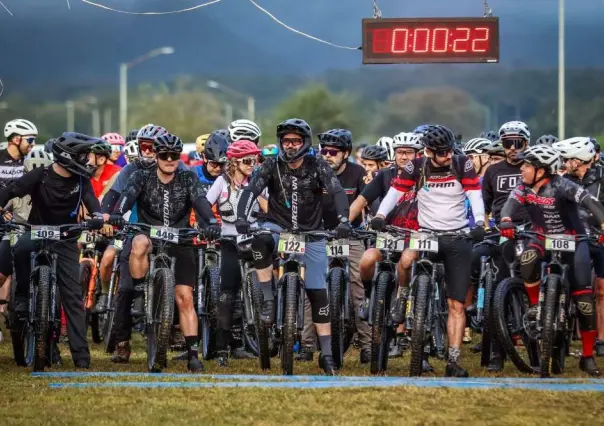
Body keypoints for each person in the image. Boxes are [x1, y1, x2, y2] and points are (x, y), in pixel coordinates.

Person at [234, 118, 352, 375]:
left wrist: (344, 219)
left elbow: (337, 191)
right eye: (286, 141)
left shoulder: (317, 164)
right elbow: (250, 191)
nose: (290, 146)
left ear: (305, 143)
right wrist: (241, 218)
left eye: (295, 141)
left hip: (312, 234)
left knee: (318, 292)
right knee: (258, 242)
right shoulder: (271, 165)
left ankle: (327, 354)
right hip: (278, 229)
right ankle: (267, 298)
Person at [372, 124, 486, 377]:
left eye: (449, 151)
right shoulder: (417, 166)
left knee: (456, 304)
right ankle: (403, 299)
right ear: (428, 151)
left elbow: (475, 194)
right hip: (425, 234)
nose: (447, 156)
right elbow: (395, 192)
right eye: (441, 152)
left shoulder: (462, 163)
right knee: (407, 260)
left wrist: (479, 221)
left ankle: (453, 360)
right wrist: (380, 215)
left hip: (457, 236)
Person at [109, 132, 220, 373]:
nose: (169, 159)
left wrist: (210, 221)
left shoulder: (187, 177)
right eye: (164, 155)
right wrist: (118, 212)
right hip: (148, 233)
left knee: (185, 298)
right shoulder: (141, 176)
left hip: (180, 239)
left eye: (174, 156)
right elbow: (127, 198)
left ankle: (192, 353)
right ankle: (140, 286)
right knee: (138, 242)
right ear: (157, 156)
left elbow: (200, 201)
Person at [0, 132, 104, 368]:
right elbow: (11, 190)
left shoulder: (80, 180)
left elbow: (92, 203)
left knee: (73, 298)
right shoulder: (40, 175)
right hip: (35, 233)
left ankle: (81, 357)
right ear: (69, 156)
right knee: (22, 247)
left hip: (66, 239)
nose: (88, 161)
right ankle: (23, 298)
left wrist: (98, 217)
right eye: (84, 156)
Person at [499, 145, 604, 376]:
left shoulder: (562, 185)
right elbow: (510, 205)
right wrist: (506, 220)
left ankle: (587, 356)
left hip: (574, 241)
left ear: (542, 170)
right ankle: (537, 308)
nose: (522, 170)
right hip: (541, 238)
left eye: (527, 166)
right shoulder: (523, 188)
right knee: (527, 258)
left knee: (585, 302)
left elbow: (589, 202)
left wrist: (603, 222)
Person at [311, 128, 370, 363]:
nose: (326, 155)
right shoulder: (313, 171)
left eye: (332, 152)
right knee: (312, 285)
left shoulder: (359, 173)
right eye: (323, 150)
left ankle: (367, 345)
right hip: (319, 235)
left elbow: (369, 203)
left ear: (345, 153)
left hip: (351, 236)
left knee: (359, 285)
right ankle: (307, 344)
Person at [205, 140, 265, 367]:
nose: (253, 164)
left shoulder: (259, 181)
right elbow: (205, 203)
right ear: (234, 162)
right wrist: (208, 223)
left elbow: (270, 209)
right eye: (247, 161)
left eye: (255, 160)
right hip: (229, 240)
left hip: (255, 238)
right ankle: (222, 347)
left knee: (265, 287)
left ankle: (251, 343)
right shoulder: (222, 182)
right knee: (228, 293)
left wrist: (256, 194)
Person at [553, 137, 604, 357]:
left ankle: (601, 339)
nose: (563, 162)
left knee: (601, 291)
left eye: (568, 159)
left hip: (599, 237)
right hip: (572, 238)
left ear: (580, 159)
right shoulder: (563, 179)